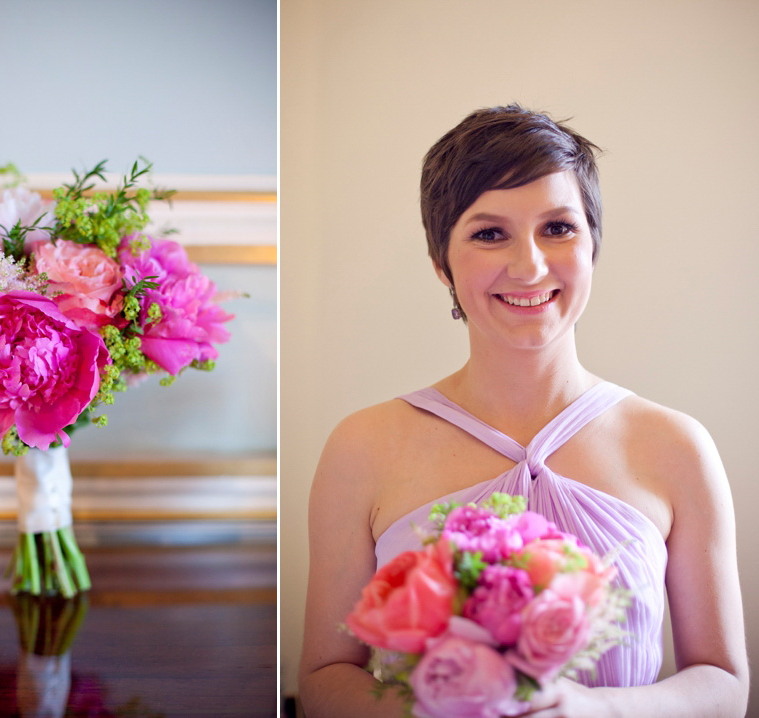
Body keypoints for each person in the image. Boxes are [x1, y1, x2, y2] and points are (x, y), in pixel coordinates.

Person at [298, 105, 748, 717]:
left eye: (558, 228)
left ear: (592, 245)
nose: (530, 265)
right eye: (489, 234)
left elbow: (723, 681)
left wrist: (593, 711)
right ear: (442, 265)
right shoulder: (363, 445)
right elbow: (325, 677)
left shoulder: (676, 445)